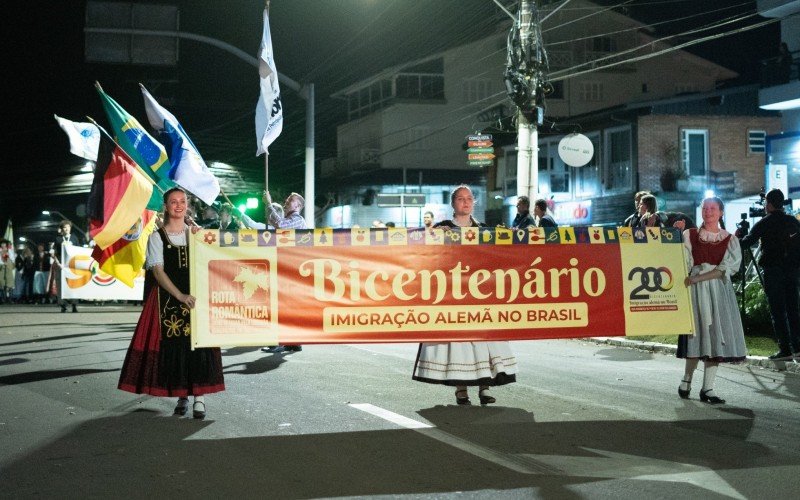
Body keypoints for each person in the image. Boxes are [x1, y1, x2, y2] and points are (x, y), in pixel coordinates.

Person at [118, 187, 224, 419]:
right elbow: (158, 272)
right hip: (168, 301)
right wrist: (180, 296)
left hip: (197, 299)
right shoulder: (157, 237)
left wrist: (202, 237)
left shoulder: (197, 234)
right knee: (176, 347)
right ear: (165, 207)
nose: (178, 205)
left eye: (183, 201)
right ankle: (182, 395)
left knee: (199, 346)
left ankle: (199, 398)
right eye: (173, 202)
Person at [412, 185, 517, 405]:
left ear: (473, 203)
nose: (465, 202)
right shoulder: (441, 230)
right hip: (453, 294)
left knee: (483, 340)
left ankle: (485, 388)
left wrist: (515, 238)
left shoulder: (485, 230)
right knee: (458, 343)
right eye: (460, 198)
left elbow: (496, 258)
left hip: (479, 295)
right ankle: (461, 390)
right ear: (453, 204)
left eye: (469, 198)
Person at [677, 196, 746, 405]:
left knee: (716, 335)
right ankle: (686, 379)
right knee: (695, 334)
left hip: (717, 290)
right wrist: (676, 234)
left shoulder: (730, 240)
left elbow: (724, 270)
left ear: (721, 212)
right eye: (705, 208)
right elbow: (682, 260)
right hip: (695, 290)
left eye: (713, 208)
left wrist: (698, 277)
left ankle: (708, 387)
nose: (708, 212)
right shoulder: (689, 235)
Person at [739, 188, 800, 361]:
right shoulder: (793, 221)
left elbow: (745, 244)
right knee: (793, 308)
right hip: (792, 271)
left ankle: (785, 349)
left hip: (773, 271)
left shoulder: (764, 223)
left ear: (770, 204)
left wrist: (739, 236)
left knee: (778, 310)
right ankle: (798, 346)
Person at [262, 190, 307, 353]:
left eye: (291, 200)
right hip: (290, 269)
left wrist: (268, 204)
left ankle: (280, 341)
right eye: (288, 199)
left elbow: (280, 226)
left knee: (281, 305)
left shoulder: (297, 220)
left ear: (299, 206)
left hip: (291, 269)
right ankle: (293, 341)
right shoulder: (291, 219)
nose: (287, 201)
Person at [53, 220, 80, 313]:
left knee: (73, 284)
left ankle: (74, 304)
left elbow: (79, 251)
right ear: (61, 229)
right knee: (61, 284)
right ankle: (62, 305)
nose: (66, 229)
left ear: (70, 228)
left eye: (68, 227)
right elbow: (55, 253)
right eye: (64, 227)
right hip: (61, 265)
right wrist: (58, 263)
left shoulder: (74, 238)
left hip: (72, 265)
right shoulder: (58, 239)